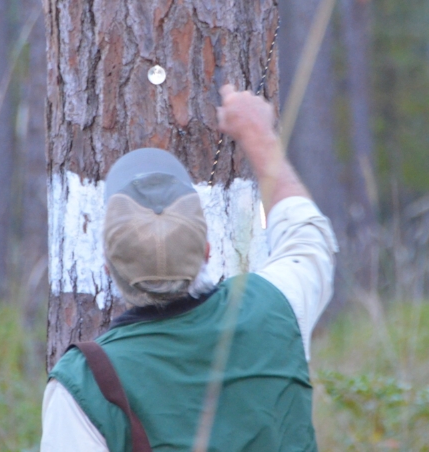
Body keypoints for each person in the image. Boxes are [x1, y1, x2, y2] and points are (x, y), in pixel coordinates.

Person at [40, 84, 337, 451]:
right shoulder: (277, 307)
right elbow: (309, 239)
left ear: (107, 268)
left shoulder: (81, 384)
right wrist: (257, 133)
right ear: (208, 250)